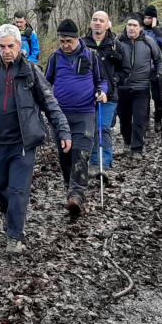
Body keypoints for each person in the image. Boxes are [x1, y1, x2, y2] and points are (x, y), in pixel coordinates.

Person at [0, 24, 70, 254]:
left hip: (23, 142)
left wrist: (63, 130)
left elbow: (50, 103)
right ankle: (10, 215)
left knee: (18, 190)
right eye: (2, 46)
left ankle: (15, 237)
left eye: (11, 46)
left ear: (19, 46)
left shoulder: (31, 71)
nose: (6, 51)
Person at [45, 19, 109, 220]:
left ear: (77, 39)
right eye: (62, 41)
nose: (65, 45)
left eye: (69, 41)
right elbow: (47, 83)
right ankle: (69, 187)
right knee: (65, 155)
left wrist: (103, 92)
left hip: (84, 114)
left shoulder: (91, 56)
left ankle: (77, 195)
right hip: (61, 116)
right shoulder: (55, 58)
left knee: (80, 154)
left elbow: (102, 81)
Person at [116, 16, 162, 162]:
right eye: (129, 25)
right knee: (124, 119)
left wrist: (159, 73)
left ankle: (137, 148)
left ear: (140, 28)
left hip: (142, 87)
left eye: (134, 25)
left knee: (139, 118)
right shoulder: (118, 42)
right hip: (122, 87)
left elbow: (159, 60)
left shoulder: (149, 42)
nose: (131, 28)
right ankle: (127, 141)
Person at [82, 11, 121, 174]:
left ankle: (101, 164)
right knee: (90, 129)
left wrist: (114, 82)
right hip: (87, 95)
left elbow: (125, 69)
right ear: (90, 24)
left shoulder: (116, 44)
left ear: (107, 24)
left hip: (109, 96)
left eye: (101, 20)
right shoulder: (82, 44)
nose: (97, 23)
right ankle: (94, 160)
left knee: (103, 128)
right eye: (95, 20)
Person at [141, 5, 162, 130]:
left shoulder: (161, 30)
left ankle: (158, 118)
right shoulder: (140, 30)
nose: (147, 20)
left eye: (150, 18)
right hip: (142, 69)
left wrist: (154, 28)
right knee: (144, 97)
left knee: (159, 97)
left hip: (156, 69)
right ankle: (145, 120)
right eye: (145, 17)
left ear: (154, 19)